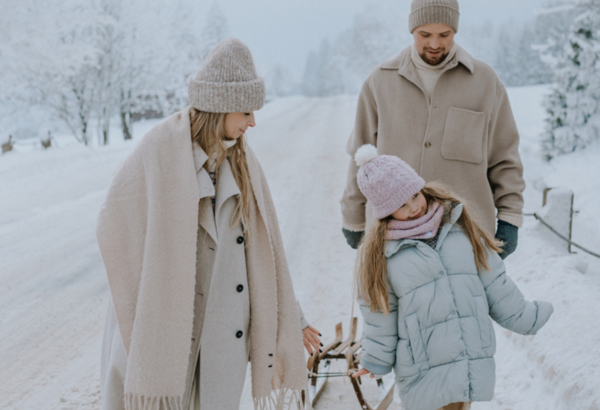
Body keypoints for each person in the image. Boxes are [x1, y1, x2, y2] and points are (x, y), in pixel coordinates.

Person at [97, 38, 320, 410]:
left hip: (219, 332)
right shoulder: (160, 152)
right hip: (162, 326)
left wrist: (291, 317)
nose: (253, 122)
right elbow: (114, 221)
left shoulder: (243, 165)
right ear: (222, 107)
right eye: (246, 111)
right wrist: (145, 287)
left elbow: (266, 253)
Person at [349, 145, 552, 410]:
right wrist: (375, 359)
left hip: (465, 354)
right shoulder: (383, 255)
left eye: (414, 195)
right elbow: (379, 314)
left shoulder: (458, 228)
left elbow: (494, 282)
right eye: (400, 204)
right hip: (423, 366)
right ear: (385, 211)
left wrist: (525, 316)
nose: (413, 207)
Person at [341, 0, 525, 259]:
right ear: (412, 30)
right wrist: (354, 216)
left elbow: (505, 157)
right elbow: (361, 154)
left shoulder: (485, 82)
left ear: (455, 31)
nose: (435, 44)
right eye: (425, 35)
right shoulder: (379, 81)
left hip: (467, 235)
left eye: (444, 35)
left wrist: (510, 216)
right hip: (395, 238)